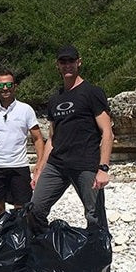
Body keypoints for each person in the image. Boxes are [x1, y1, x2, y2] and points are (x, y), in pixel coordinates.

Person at [30, 44, 114, 235]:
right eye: (63, 62)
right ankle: (44, 252)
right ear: (57, 65)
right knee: (35, 209)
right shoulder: (55, 99)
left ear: (79, 62)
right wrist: (40, 169)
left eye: (71, 61)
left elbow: (107, 132)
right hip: (57, 164)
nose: (67, 65)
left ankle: (99, 263)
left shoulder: (92, 92)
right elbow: (52, 137)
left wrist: (103, 168)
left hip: (86, 164)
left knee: (94, 216)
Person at [0, 69, 45, 218]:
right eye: (1, 86)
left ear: (15, 86)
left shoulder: (26, 110)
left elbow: (37, 138)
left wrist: (40, 164)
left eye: (8, 84)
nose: (5, 88)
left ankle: (20, 239)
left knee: (21, 210)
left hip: (19, 166)